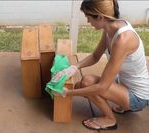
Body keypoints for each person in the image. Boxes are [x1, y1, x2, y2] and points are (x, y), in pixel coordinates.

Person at [52, 0, 149, 131]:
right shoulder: (111, 28)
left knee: (87, 85)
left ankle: (110, 119)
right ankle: (123, 103)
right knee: (84, 83)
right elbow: (95, 56)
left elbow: (102, 87)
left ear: (101, 17)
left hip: (138, 97)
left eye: (88, 18)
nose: (88, 22)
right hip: (124, 84)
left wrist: (68, 93)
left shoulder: (123, 39)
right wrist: (74, 67)